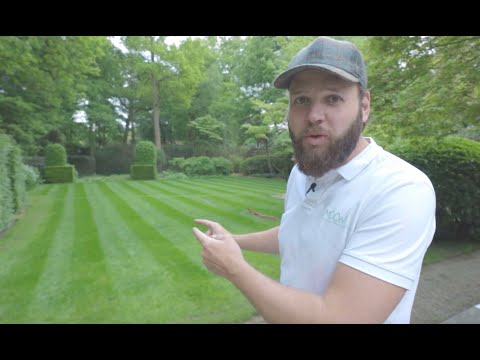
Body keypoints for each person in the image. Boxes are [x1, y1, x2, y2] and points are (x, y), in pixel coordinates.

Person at [192, 36, 436, 324]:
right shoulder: (303, 172)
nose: (313, 115)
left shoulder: (401, 189)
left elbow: (339, 318)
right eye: (301, 100)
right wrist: (233, 241)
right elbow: (297, 231)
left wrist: (235, 268)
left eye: (333, 98)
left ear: (365, 106)